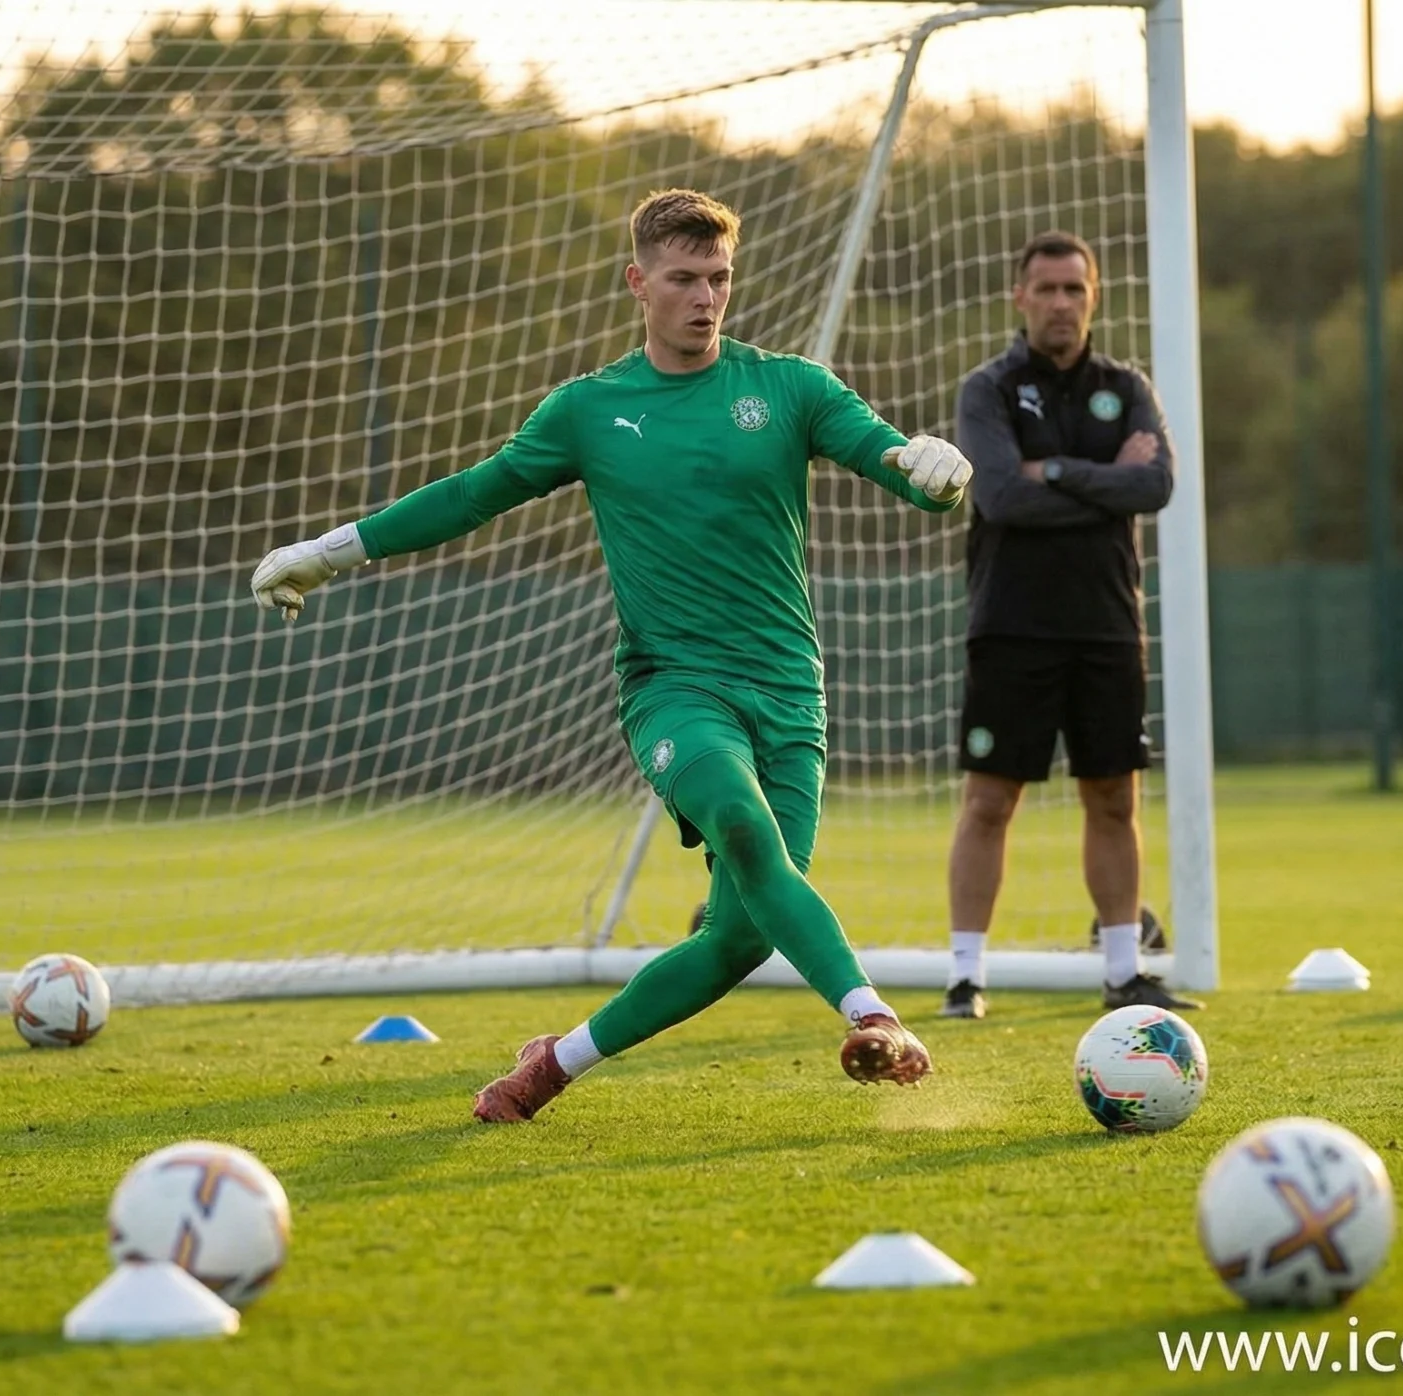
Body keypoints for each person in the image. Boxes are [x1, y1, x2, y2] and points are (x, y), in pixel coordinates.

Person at [250, 189, 975, 1122]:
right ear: (638, 283)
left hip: (791, 694)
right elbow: (472, 493)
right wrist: (326, 552)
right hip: (674, 689)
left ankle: (552, 1064)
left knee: (737, 941)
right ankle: (872, 1014)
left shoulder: (790, 387)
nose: (706, 298)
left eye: (718, 278)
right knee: (745, 831)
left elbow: (894, 460)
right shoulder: (591, 411)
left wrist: (933, 471)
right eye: (683, 279)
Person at [939, 230, 1189, 1020]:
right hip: (1011, 624)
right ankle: (964, 978)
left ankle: (1124, 972)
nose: (1060, 303)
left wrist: (1063, 472)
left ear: (1094, 295)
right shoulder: (989, 389)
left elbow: (1155, 486)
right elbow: (1002, 497)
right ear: (1020, 297)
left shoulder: (1126, 384)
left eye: (1074, 289)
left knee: (1114, 796)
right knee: (989, 802)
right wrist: (1104, 479)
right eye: (1045, 289)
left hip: (1108, 623)